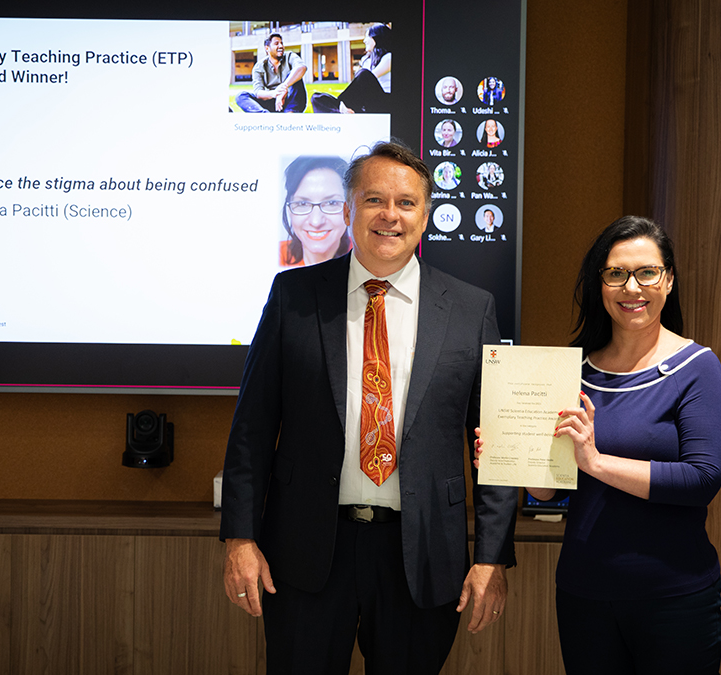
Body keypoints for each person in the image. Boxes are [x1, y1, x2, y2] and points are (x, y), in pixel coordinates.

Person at [222, 140, 520, 674]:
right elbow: (252, 427)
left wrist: (492, 555)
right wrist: (241, 538)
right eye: (374, 199)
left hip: (422, 555)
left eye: (406, 203)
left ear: (425, 217)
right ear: (348, 211)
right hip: (309, 551)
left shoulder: (472, 309)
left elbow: (494, 442)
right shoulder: (294, 296)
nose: (390, 215)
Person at [475, 215, 721, 673]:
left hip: (674, 597)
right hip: (584, 594)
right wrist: (510, 459)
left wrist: (596, 462)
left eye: (646, 272)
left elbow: (701, 479)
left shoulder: (697, 367)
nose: (631, 287)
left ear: (668, 280)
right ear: (600, 284)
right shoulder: (572, 372)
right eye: (616, 273)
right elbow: (553, 489)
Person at [280, 156, 351, 267]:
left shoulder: (366, 259)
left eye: (331, 203)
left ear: (349, 210)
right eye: (302, 204)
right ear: (289, 210)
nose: (316, 222)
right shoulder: (278, 255)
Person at [312, 24, 391, 113]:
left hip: (384, 102)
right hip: (366, 102)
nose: (364, 40)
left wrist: (342, 101)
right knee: (316, 97)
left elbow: (368, 78)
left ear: (377, 38)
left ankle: (341, 106)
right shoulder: (367, 59)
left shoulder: (389, 57)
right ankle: (340, 111)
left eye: (367, 36)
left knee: (364, 74)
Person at [237, 33, 309, 113]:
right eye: (276, 43)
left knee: (294, 74)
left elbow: (302, 67)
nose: (281, 46)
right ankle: (265, 116)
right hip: (273, 102)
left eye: (282, 43)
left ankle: (290, 113)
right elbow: (258, 93)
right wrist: (275, 93)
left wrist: (283, 87)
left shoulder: (290, 56)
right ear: (267, 48)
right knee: (241, 96)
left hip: (291, 100)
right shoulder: (259, 67)